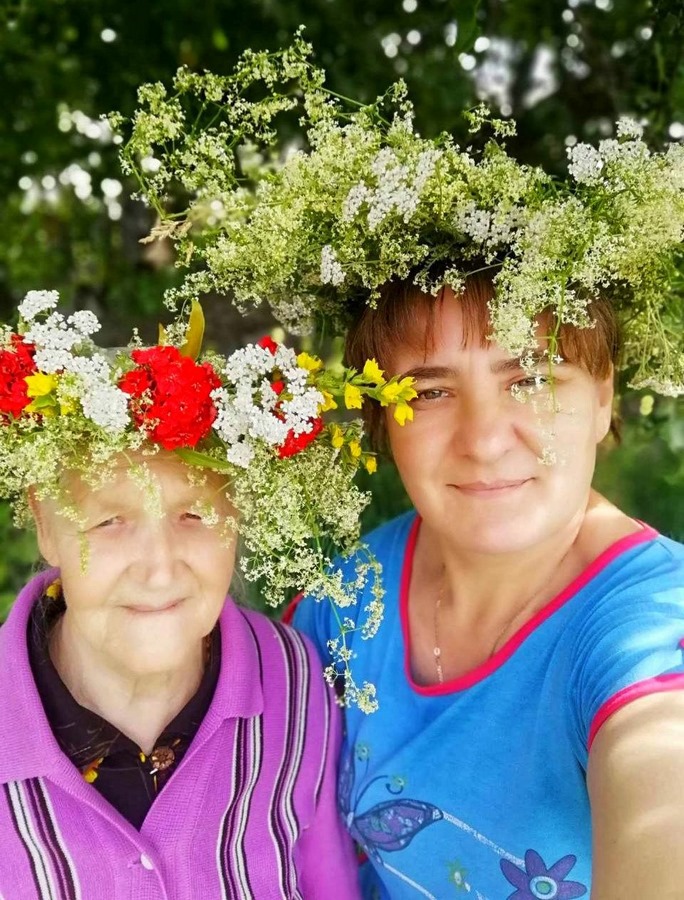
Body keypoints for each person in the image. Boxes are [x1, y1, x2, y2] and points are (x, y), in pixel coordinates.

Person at [119, 41, 684, 897]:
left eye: (531, 379)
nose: (485, 439)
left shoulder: (643, 631)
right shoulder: (348, 601)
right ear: (383, 422)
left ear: (605, 398)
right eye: (432, 390)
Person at [0, 290, 413, 899]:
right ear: (46, 524)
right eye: (110, 521)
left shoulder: (293, 680)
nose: (159, 569)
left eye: (193, 514)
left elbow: (327, 881)